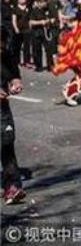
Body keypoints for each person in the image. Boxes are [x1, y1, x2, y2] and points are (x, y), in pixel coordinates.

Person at [1, 24, 26, 205]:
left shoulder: (6, 53)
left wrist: (15, 81)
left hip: (2, 108)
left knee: (7, 142)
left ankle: (12, 186)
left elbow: (13, 71)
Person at [12, 0, 33, 68]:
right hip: (19, 30)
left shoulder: (28, 8)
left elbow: (30, 19)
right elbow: (14, 20)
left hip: (27, 29)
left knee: (27, 46)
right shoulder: (15, 8)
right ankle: (16, 61)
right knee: (17, 46)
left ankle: (26, 61)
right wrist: (16, 28)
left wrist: (30, 27)